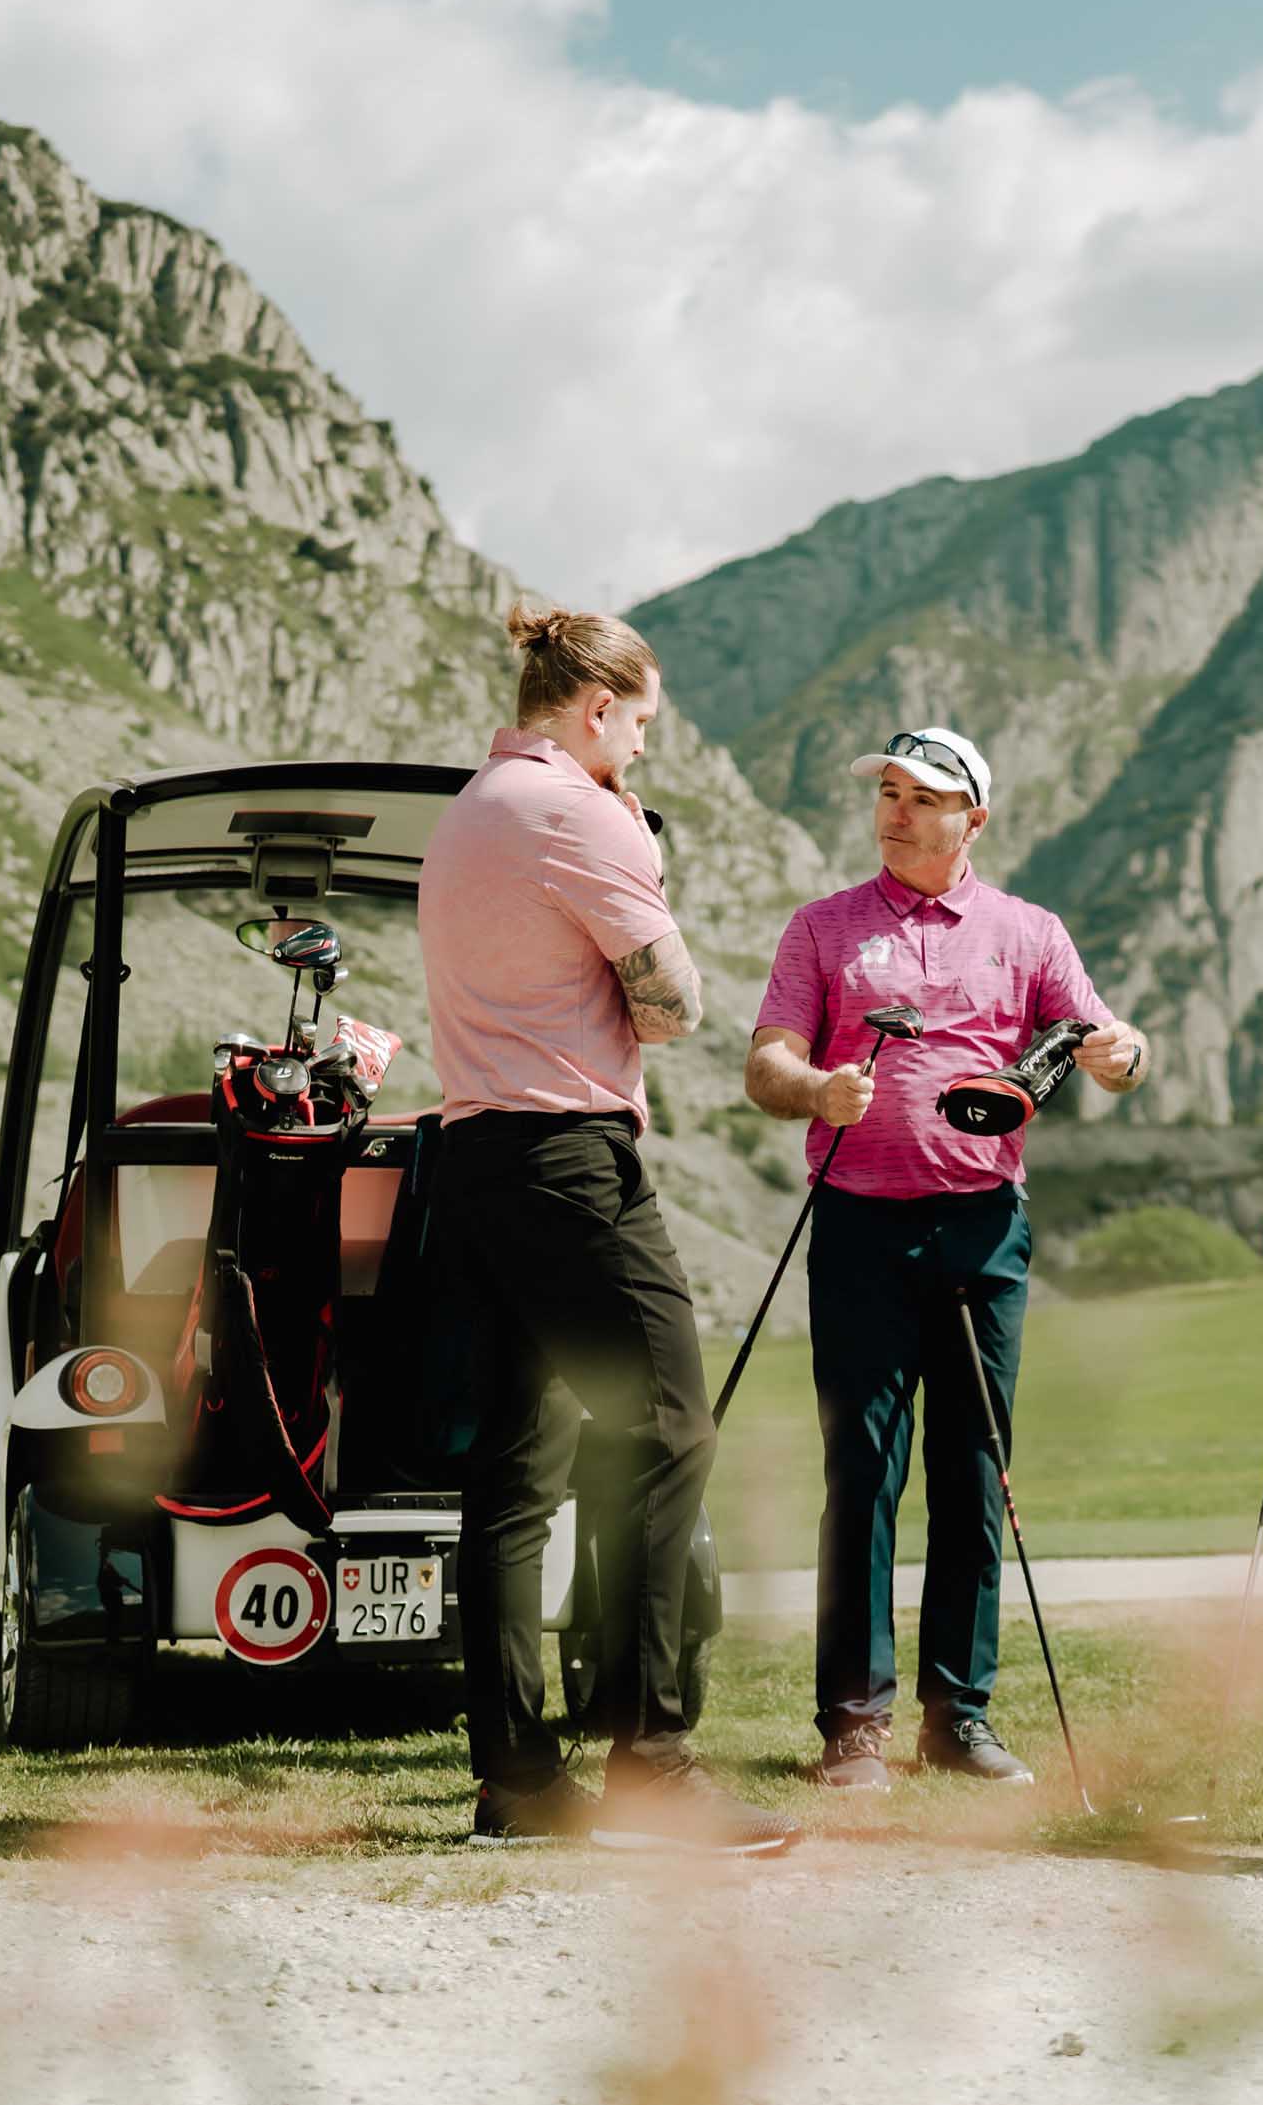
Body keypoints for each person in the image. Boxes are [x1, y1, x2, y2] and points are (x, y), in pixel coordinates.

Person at [418, 604, 796, 1857]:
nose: (640, 746)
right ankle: (652, 1762)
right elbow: (677, 1005)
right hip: (567, 1158)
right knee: (670, 1426)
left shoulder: (470, 809)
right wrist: (642, 854)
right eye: (637, 722)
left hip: (470, 1152)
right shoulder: (580, 814)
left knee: (512, 1482)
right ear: (593, 708)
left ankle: (517, 1781)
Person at [746, 724, 1148, 1791]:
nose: (897, 811)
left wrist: (1123, 1050)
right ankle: (854, 1726)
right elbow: (767, 1059)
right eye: (886, 791)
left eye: (923, 796)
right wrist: (814, 1085)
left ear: (974, 816)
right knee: (862, 1468)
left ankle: (957, 1715)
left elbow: (1110, 1046)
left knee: (973, 1474)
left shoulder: (1029, 931)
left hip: (982, 1228)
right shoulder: (824, 927)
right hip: (858, 1223)